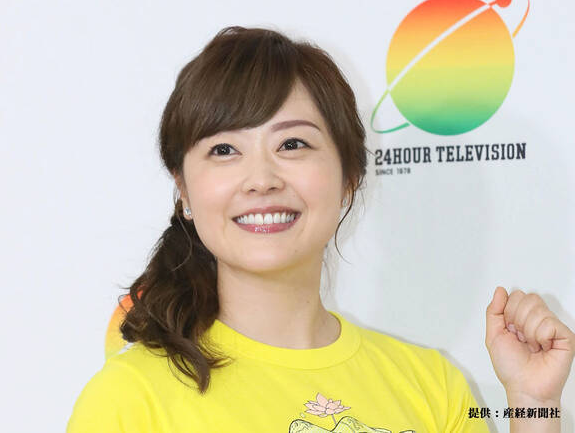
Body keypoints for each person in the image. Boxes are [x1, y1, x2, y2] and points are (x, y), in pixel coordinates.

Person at [67, 26, 574, 432]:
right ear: (183, 190)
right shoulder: (128, 401)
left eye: (292, 145)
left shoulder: (433, 387)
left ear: (348, 179)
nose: (261, 179)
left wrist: (533, 404)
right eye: (224, 150)